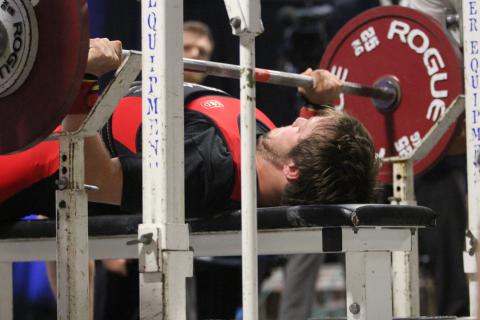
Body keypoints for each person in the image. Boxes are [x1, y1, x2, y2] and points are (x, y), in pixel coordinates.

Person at [0, 38, 378, 317]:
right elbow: (308, 157)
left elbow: (93, 173)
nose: (296, 119)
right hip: (38, 112)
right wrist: (317, 103)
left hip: (36, 153)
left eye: (302, 127)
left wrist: (83, 77)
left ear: (292, 169)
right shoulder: (268, 152)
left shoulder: (209, 170)